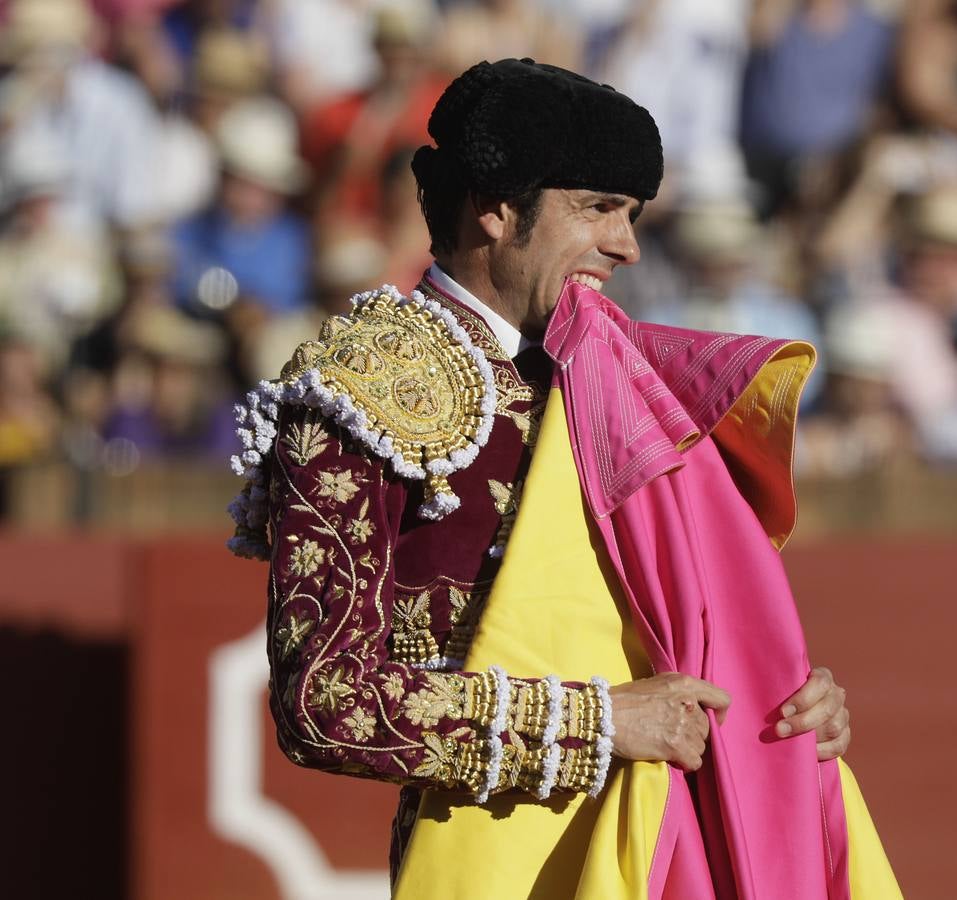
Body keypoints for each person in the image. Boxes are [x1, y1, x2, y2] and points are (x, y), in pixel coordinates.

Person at [227, 58, 901, 899]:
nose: (627, 244)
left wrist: (782, 707)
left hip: (670, 842)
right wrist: (601, 722)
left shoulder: (630, 383)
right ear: (497, 207)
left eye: (633, 214)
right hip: (498, 860)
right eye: (598, 209)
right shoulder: (365, 387)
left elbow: (685, 631)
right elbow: (327, 699)